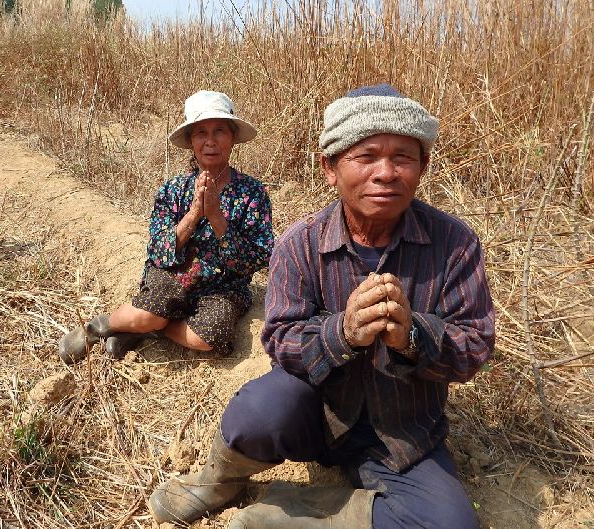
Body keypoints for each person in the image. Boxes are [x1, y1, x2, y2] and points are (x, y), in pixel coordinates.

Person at [148, 84, 495, 529]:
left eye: (403, 157)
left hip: (404, 434)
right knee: (259, 411)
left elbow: (474, 348)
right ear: (329, 168)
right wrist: (342, 333)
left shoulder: (454, 244)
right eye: (366, 156)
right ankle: (216, 480)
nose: (386, 172)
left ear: (423, 165)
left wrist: (413, 336)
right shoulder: (301, 243)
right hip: (317, 415)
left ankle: (299, 511)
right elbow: (279, 339)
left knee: (451, 524)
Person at [58, 90, 274, 362]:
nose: (210, 141)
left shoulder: (252, 193)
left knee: (210, 335)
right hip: (174, 275)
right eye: (200, 133)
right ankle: (97, 329)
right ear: (191, 142)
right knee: (149, 312)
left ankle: (148, 330)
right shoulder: (173, 190)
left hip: (223, 285)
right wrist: (195, 213)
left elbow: (260, 257)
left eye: (219, 131)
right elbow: (159, 252)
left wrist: (217, 218)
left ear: (232, 138)